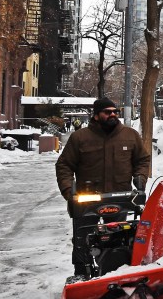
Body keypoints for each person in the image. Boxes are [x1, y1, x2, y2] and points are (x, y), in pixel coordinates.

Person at [55, 98, 151, 279]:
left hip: (120, 198)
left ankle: (115, 271)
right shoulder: (80, 138)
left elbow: (142, 160)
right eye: (107, 112)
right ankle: (82, 272)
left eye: (115, 111)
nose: (113, 114)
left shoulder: (130, 136)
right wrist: (70, 192)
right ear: (96, 115)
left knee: (118, 236)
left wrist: (140, 179)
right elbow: (64, 166)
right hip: (87, 200)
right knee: (83, 240)